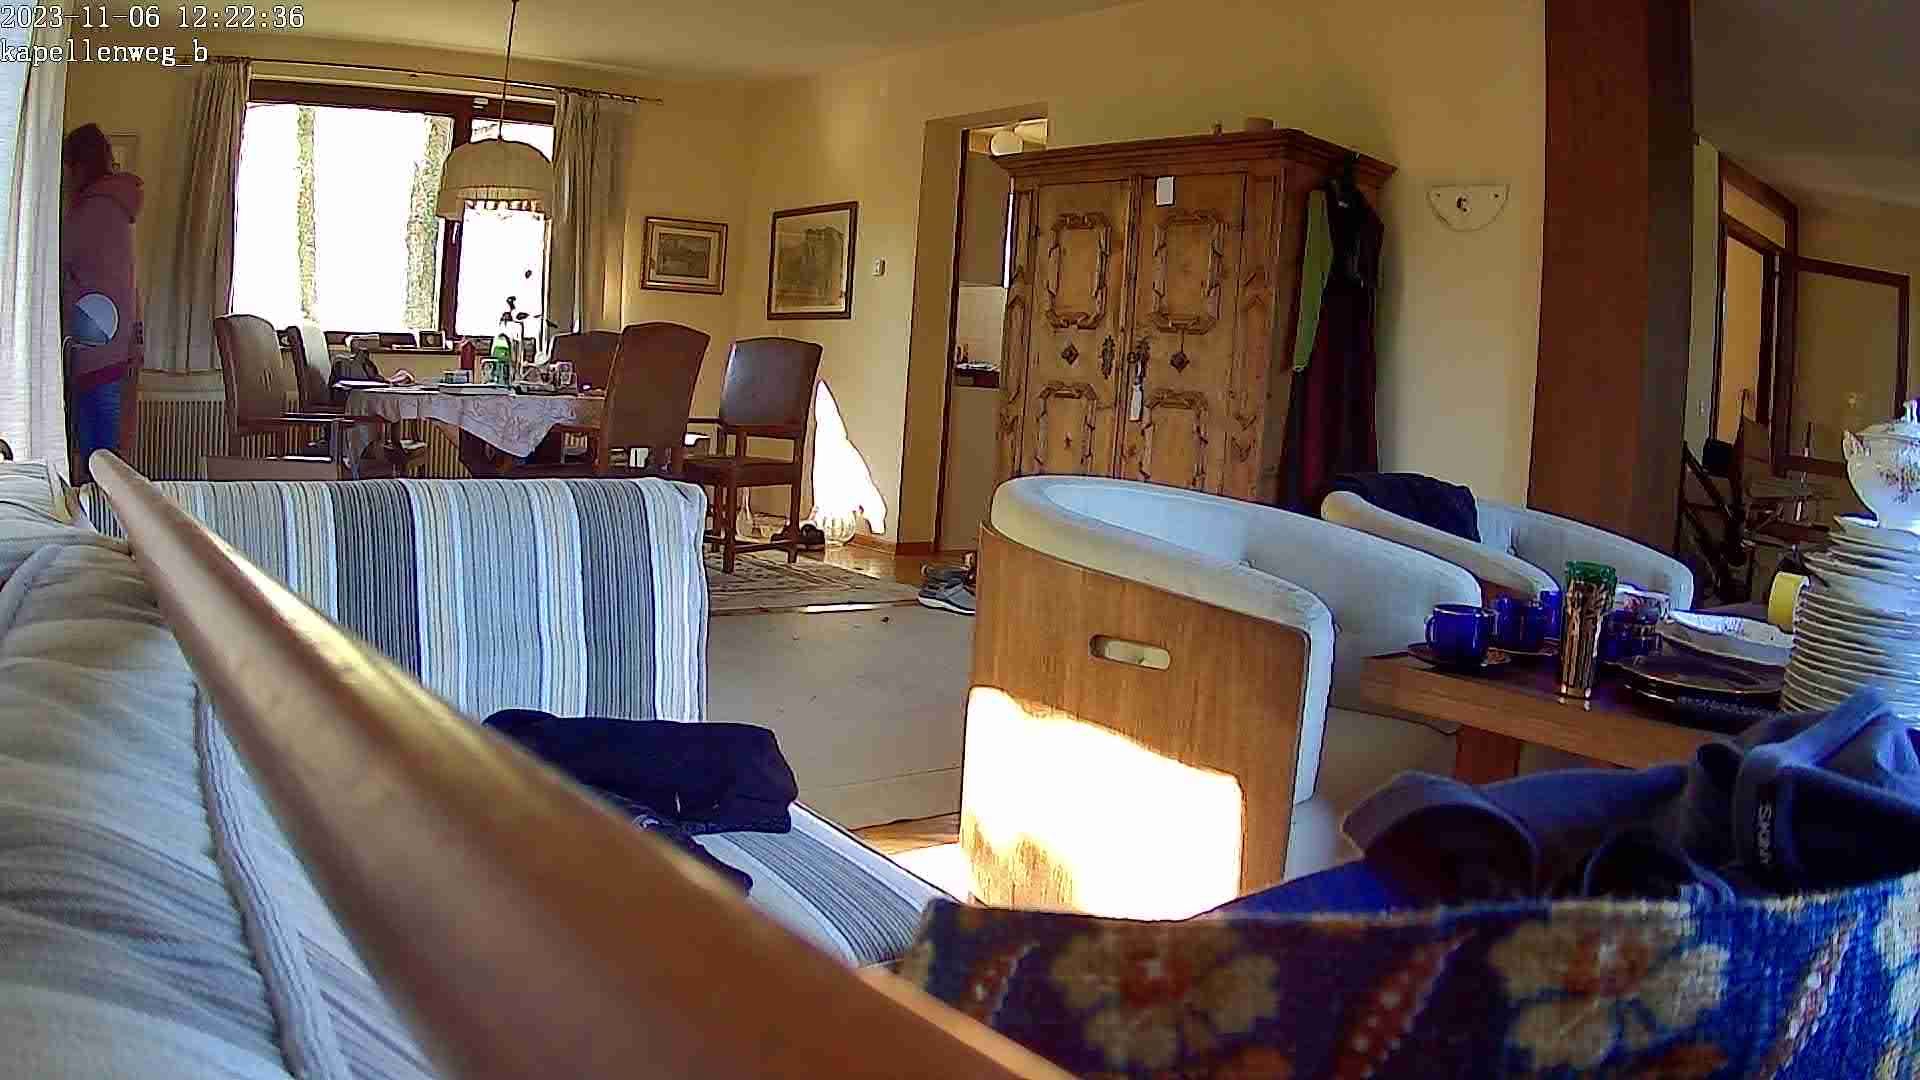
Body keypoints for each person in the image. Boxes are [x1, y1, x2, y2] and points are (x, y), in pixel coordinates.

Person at [60, 122, 143, 483]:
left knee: (99, 460)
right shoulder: (116, 210)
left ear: (76, 166)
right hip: (116, 342)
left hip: (95, 346)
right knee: (108, 456)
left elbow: (58, 265)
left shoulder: (89, 212)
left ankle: (101, 516)